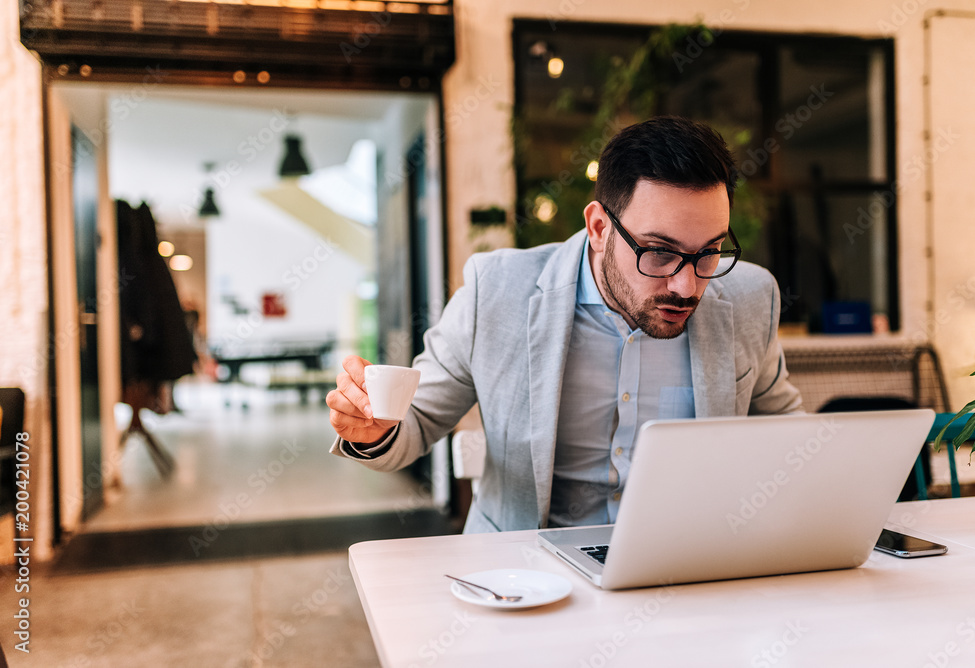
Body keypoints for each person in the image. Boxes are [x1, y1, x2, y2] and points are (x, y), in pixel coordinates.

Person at [327, 116, 802, 533]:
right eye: (659, 252)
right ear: (599, 228)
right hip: (528, 576)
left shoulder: (749, 296)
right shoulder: (496, 291)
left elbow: (785, 434)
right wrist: (372, 430)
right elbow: (416, 423)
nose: (686, 285)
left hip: (688, 566)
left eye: (709, 252)